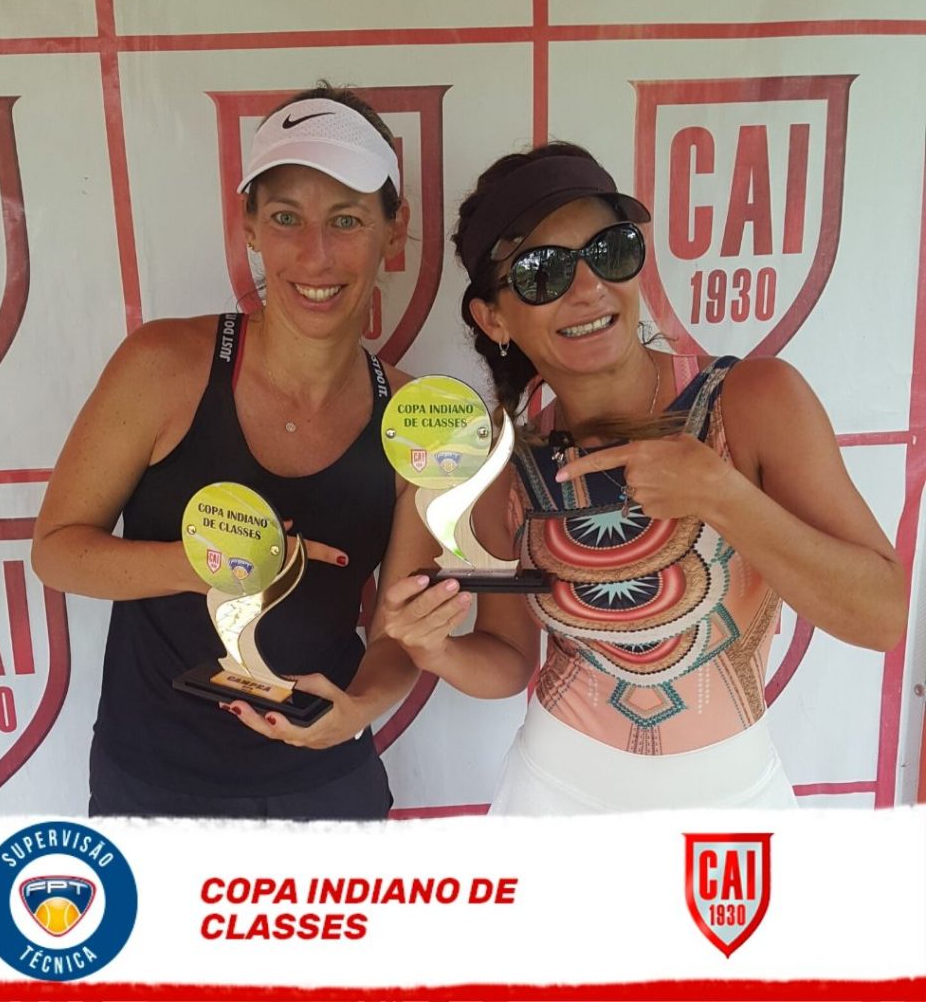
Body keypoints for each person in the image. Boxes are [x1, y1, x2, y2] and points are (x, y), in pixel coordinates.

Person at [379, 142, 907, 813]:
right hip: (554, 798)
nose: (588, 288)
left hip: (732, 802)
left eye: (611, 250)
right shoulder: (508, 464)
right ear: (494, 318)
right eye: (543, 272)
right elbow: (509, 659)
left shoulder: (754, 401)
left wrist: (720, 494)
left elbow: (881, 617)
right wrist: (435, 650)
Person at [32, 83, 434, 819]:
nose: (315, 254)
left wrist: (359, 708)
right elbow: (57, 552)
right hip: (154, 785)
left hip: (327, 784)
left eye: (346, 219)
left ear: (394, 230)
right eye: (286, 218)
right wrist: (204, 568)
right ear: (249, 225)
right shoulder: (165, 365)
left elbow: (401, 634)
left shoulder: (414, 418)